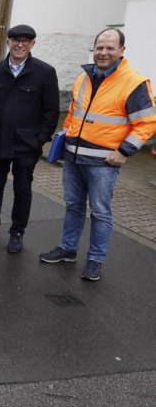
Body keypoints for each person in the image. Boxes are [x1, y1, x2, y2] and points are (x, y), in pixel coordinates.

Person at [40, 28, 156, 281]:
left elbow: (147, 123)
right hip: (73, 157)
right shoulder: (84, 77)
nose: (103, 52)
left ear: (121, 51)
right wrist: (66, 141)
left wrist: (124, 152)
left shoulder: (134, 82)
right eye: (99, 47)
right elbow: (73, 114)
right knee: (73, 206)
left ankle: (95, 260)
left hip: (104, 161)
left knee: (101, 212)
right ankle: (68, 249)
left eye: (109, 48)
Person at [0, 25, 59, 253]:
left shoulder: (45, 72)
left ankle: (17, 232)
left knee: (23, 190)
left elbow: (51, 111)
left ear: (32, 44)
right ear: (8, 42)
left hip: (27, 145)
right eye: (16, 40)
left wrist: (39, 139)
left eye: (26, 40)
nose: (20, 44)